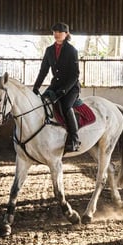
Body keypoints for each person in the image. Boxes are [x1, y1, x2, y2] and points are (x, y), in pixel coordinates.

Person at [33, 22, 81, 152]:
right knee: (41, 103)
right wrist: (36, 87)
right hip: (55, 85)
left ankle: (74, 139)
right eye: (54, 31)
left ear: (66, 34)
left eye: (59, 32)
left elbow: (75, 74)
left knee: (65, 106)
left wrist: (65, 90)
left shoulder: (72, 50)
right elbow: (43, 71)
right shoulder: (49, 50)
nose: (56, 34)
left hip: (71, 87)